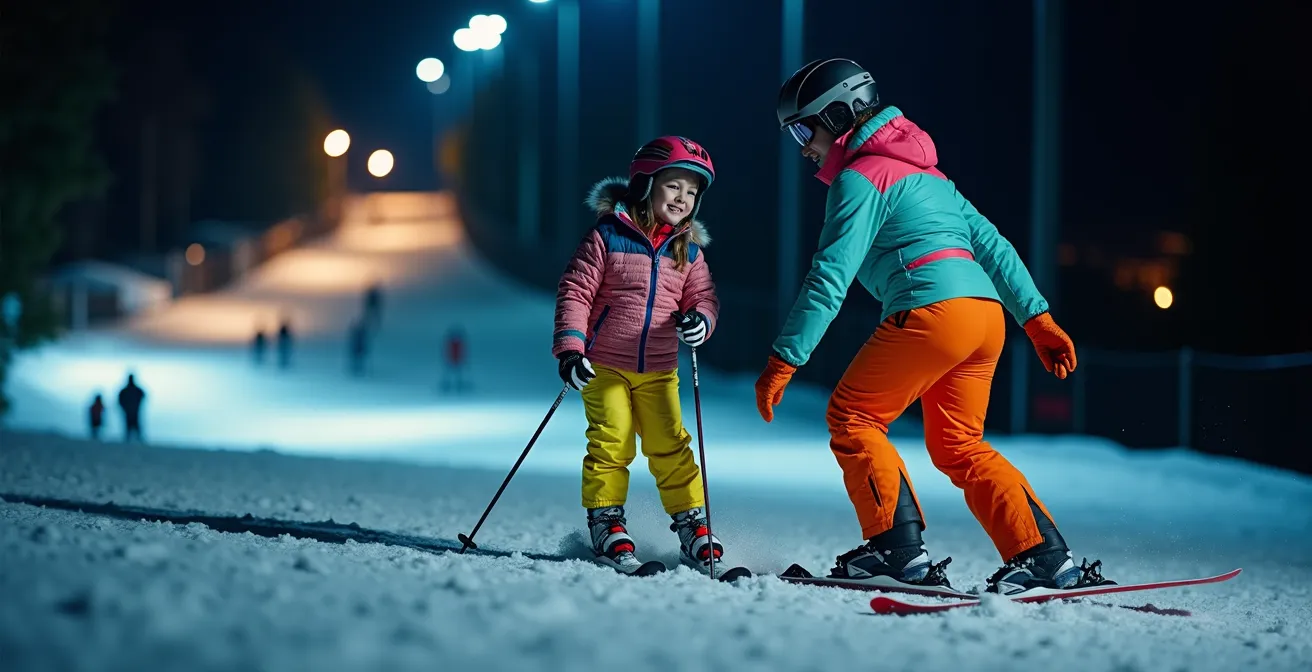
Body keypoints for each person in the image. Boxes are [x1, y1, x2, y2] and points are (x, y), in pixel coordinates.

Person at [757, 58, 1108, 595]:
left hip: (930, 310)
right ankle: (1042, 556)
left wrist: (786, 357)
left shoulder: (860, 178)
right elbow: (993, 246)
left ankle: (895, 550)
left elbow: (831, 273)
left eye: (804, 129)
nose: (803, 147)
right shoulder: (931, 179)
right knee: (960, 445)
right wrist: (1037, 319)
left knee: (853, 417)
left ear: (839, 114)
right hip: (985, 317)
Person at [553, 136, 725, 575]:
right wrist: (572, 350)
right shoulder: (607, 237)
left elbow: (703, 297)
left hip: (661, 369)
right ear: (646, 183)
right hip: (604, 365)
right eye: (674, 187)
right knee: (613, 439)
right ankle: (606, 521)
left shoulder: (688, 250)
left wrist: (699, 321)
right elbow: (576, 292)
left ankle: (693, 525)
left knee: (671, 444)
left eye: (692, 192)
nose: (683, 198)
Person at [117, 374, 145, 443]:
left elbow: (143, 396)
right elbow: (120, 400)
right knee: (129, 429)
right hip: (130, 412)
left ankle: (137, 441)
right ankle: (130, 441)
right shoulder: (127, 391)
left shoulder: (129, 390)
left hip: (133, 412)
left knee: (135, 428)